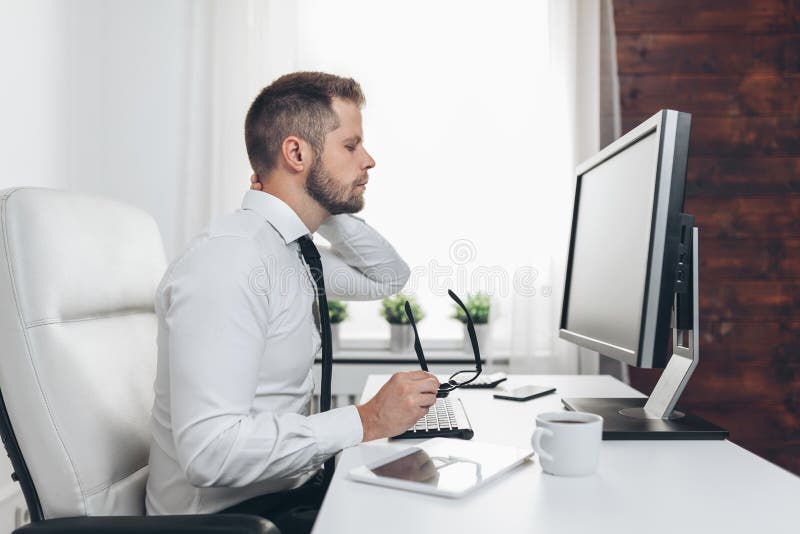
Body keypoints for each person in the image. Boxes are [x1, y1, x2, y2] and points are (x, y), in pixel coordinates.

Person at [145, 72, 440, 533]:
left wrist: (315, 209)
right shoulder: (229, 261)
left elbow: (388, 276)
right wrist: (367, 418)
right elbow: (210, 453)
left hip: (288, 495)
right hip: (232, 521)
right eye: (351, 146)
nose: (369, 160)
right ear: (297, 153)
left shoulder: (287, 251)